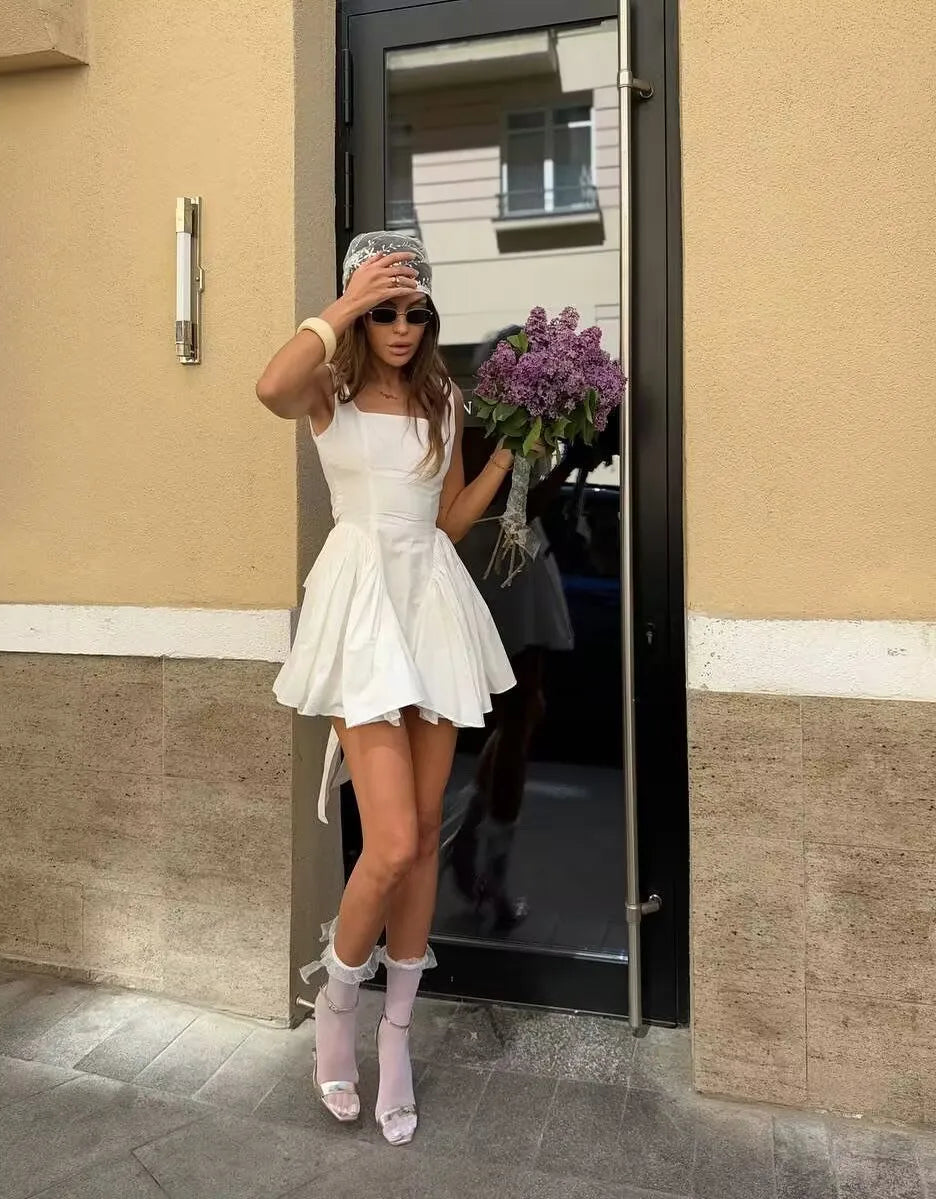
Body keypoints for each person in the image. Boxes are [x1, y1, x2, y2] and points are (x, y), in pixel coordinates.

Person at [255, 231, 516, 1146]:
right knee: (393, 839)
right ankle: (337, 1001)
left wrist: (506, 458)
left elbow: (447, 519)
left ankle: (396, 1034)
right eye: (384, 311)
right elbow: (270, 387)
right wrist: (344, 303)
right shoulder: (326, 389)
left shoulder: (443, 397)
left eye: (414, 311)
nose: (401, 327)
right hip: (361, 607)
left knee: (426, 829)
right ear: (362, 313)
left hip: (430, 600)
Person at [450, 327, 603, 928]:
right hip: (495, 569)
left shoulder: (516, 421)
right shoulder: (478, 426)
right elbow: (509, 507)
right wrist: (568, 465)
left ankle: (478, 839)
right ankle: (483, 859)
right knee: (515, 712)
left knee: (523, 710)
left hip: (519, 568)